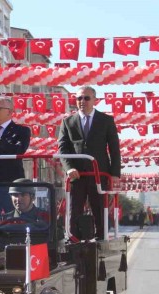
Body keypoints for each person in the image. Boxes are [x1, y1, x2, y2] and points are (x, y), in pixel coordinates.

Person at [57, 86, 121, 240]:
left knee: (100, 209)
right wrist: (69, 168)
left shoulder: (106, 120)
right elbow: (63, 148)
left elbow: (114, 148)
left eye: (86, 98)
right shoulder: (67, 122)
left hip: (99, 174)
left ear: (94, 100)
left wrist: (114, 174)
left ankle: (101, 240)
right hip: (77, 175)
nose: (82, 101)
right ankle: (74, 240)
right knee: (74, 210)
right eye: (79, 98)